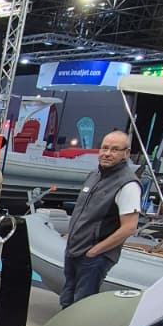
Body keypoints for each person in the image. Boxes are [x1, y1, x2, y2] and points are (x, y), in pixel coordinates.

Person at [60, 130, 140, 309]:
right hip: (75, 250)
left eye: (115, 149)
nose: (107, 153)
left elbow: (129, 227)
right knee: (67, 299)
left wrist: (96, 251)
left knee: (82, 304)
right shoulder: (94, 176)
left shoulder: (128, 184)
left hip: (94, 256)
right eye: (105, 148)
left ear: (126, 153)